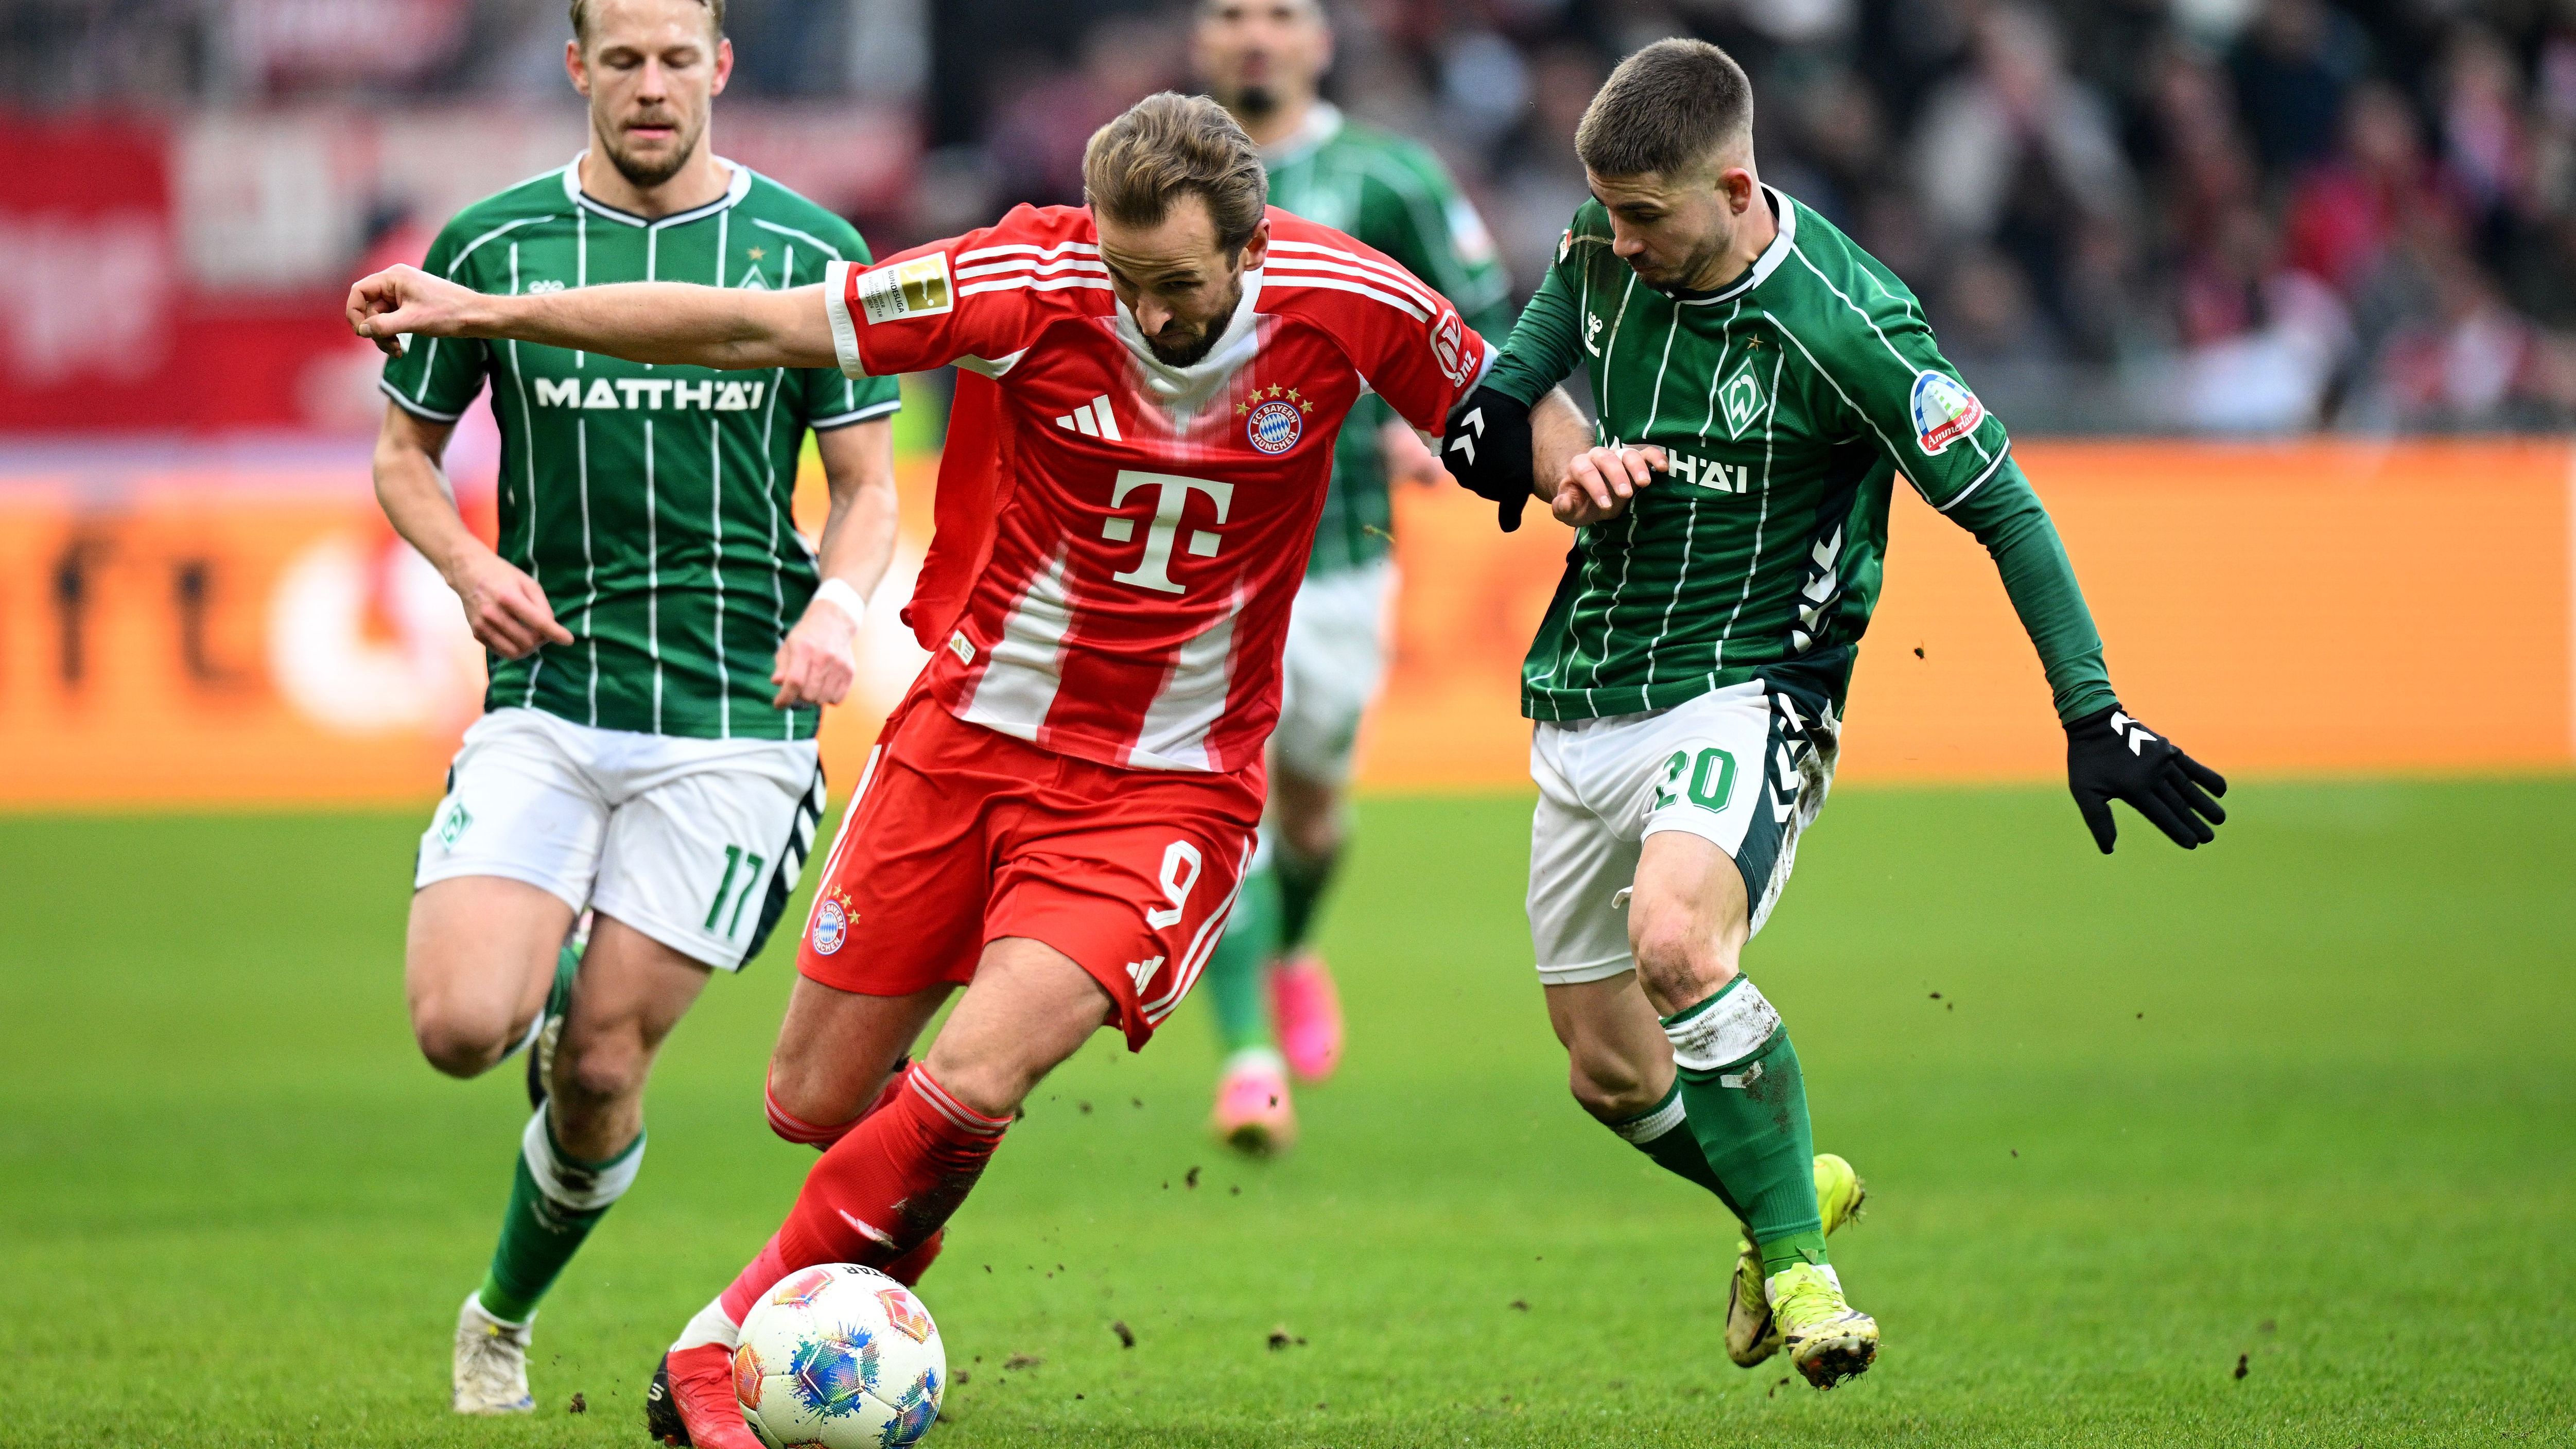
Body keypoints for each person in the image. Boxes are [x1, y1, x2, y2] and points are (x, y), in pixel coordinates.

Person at [348, 91, 1493, 1448]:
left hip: (1163, 785)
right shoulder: (1022, 275)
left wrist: (1581, 466)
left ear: (1249, 248)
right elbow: (747, 326)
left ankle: (714, 1350)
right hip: (966, 744)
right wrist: (493, 317)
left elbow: (1496, 404)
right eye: (1124, 279)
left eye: (1176, 284)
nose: (1146, 310)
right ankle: (899, 1197)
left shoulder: (1348, 297)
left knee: (976, 1074)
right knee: (814, 1105)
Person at [1440, 39, 2227, 1390]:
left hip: (1752, 688)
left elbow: (2006, 511)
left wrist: (2089, 713)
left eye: (1646, 216)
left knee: (1677, 943)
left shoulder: (1848, 322)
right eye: (1607, 212)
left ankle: (1803, 1279)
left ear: (1734, 186)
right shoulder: (1591, 246)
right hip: (1583, 693)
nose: (1616, 242)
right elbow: (1483, 424)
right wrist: (1553, 467)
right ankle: (1789, 1193)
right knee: (1611, 1078)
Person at [367, 0, 902, 1416]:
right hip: (552, 691)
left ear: (720, 69)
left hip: (735, 716)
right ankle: (535, 960)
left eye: (677, 59)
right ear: (578, 70)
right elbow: (404, 459)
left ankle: (501, 1317)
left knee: (602, 1065)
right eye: (624, 60)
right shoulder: (488, 247)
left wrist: (836, 611)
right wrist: (471, 564)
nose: (651, 86)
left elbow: (865, 492)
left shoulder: (809, 254)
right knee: (459, 1029)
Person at [1187, 0, 1514, 1152]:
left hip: (1337, 557)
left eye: (1280, 13)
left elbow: (1483, 332)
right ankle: (1247, 1059)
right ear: (1202, 38)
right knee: (1225, 806)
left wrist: (1434, 430)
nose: (1255, 36)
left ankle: (1293, 949)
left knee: (1313, 807)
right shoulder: (1153, 176)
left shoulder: (1389, 179)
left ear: (1322, 40)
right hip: (1194, 560)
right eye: (1231, 14)